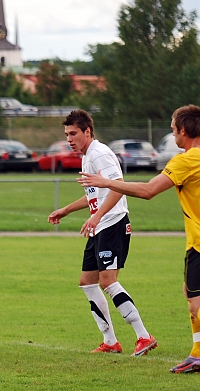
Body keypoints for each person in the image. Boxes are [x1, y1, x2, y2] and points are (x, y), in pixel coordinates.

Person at [79, 104, 200, 373]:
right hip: (193, 242)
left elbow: (147, 190)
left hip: (195, 242)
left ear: (182, 130)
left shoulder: (186, 160)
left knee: (195, 301)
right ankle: (195, 353)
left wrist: (108, 183)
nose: (172, 135)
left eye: (172, 129)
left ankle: (161, 342)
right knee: (191, 296)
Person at [48, 110, 157, 356]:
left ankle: (143, 336)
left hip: (113, 223)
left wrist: (97, 216)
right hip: (100, 225)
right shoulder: (87, 156)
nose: (69, 139)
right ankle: (110, 341)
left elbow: (118, 187)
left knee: (108, 281)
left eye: (73, 133)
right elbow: (95, 196)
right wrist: (66, 210)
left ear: (88, 131)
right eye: (66, 134)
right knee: (87, 282)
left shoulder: (100, 154)